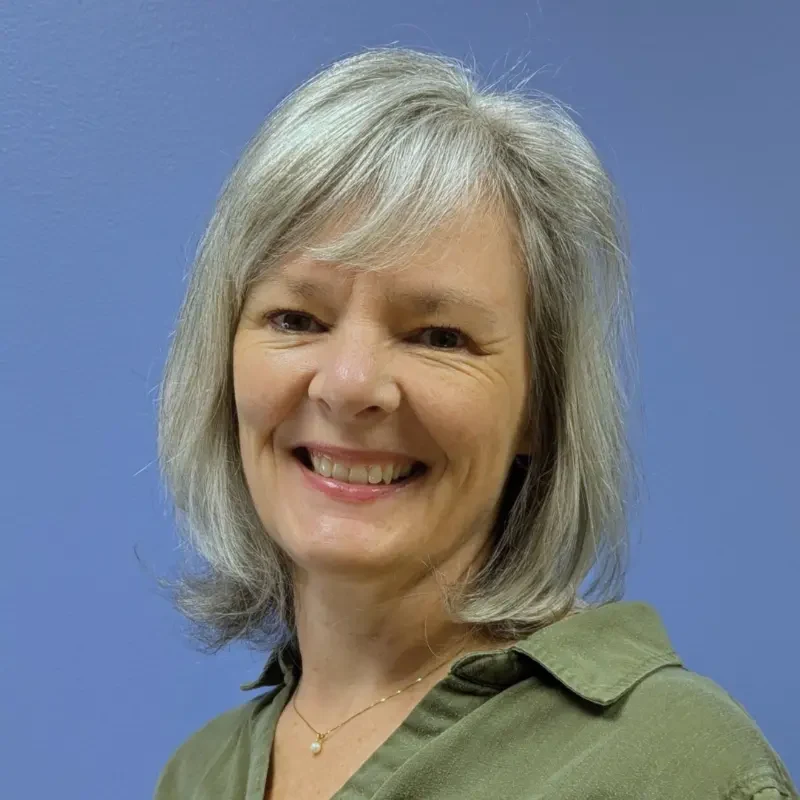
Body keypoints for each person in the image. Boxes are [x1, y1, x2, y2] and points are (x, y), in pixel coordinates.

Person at [152, 46, 796, 800]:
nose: (352, 385)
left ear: (538, 408)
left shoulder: (677, 767)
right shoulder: (199, 775)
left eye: (438, 336)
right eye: (296, 318)